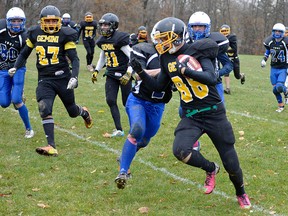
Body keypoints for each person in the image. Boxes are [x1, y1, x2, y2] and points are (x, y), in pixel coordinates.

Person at [130, 17, 251, 209]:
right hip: (191, 115)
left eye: (164, 38)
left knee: (231, 163)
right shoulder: (165, 57)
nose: (160, 43)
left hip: (213, 113)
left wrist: (186, 70)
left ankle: (241, 192)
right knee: (180, 150)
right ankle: (211, 169)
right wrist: (142, 73)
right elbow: (159, 86)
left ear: (177, 37)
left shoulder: (198, 50)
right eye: (159, 39)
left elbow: (211, 78)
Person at [8, 5, 93, 156]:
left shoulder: (65, 34)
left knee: (72, 111)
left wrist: (74, 76)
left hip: (62, 78)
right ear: (41, 22)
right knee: (44, 108)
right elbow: (24, 53)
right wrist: (16, 66)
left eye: (54, 21)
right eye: (48, 21)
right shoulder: (35, 33)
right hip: (45, 79)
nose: (52, 24)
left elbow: (74, 59)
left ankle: (83, 112)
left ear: (59, 21)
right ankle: (51, 145)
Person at [115, 28, 173, 189]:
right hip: (138, 100)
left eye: (168, 38)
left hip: (158, 105)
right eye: (162, 38)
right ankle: (123, 171)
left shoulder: (178, 56)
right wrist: (164, 70)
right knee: (137, 130)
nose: (165, 43)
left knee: (146, 139)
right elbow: (138, 74)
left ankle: (125, 156)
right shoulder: (144, 49)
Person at [91, 13, 132, 138]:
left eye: (106, 25)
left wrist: (129, 73)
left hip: (124, 74)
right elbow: (103, 56)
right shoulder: (102, 41)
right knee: (110, 100)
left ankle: (136, 126)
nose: (103, 27)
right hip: (111, 74)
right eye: (102, 25)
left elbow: (132, 56)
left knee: (127, 103)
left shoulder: (120, 38)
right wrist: (97, 70)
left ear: (113, 26)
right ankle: (119, 129)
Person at [0, 7, 34, 139]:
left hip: (18, 68)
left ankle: (29, 129)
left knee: (17, 99)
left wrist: (14, 66)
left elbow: (24, 55)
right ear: (8, 21)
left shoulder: (24, 36)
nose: (16, 24)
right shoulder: (1, 29)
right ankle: (15, 92)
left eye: (19, 21)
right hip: (2, 69)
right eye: (13, 21)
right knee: (4, 103)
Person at [187, 11, 233, 103]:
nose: (197, 29)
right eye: (194, 26)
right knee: (184, 111)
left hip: (214, 84)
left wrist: (217, 73)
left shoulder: (214, 43)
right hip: (194, 84)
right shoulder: (187, 43)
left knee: (219, 110)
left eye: (200, 26)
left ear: (207, 27)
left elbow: (228, 65)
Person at [261, 23, 288, 112]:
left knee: (280, 86)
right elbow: (268, 50)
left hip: (283, 67)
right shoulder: (270, 41)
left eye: (279, 31)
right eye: (275, 31)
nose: (277, 33)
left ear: (283, 32)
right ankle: (281, 106)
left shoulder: (285, 42)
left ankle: (286, 91)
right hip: (273, 67)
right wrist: (264, 59)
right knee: (275, 89)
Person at [219, 24, 245, 94]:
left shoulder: (232, 37)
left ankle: (242, 75)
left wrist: (224, 50)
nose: (224, 32)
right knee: (226, 72)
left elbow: (234, 49)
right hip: (226, 59)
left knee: (237, 76)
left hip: (234, 58)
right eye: (223, 31)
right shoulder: (220, 38)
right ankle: (228, 89)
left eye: (226, 31)